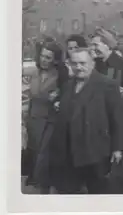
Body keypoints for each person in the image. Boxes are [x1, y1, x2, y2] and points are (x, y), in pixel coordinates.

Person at [49, 48, 123, 194]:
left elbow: (118, 118)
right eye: (75, 63)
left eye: (83, 63)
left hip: (96, 151)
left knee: (98, 194)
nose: (78, 67)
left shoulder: (107, 85)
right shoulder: (67, 86)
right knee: (69, 194)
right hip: (69, 152)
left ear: (92, 64)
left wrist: (117, 148)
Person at [25, 41, 67, 193]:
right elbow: (31, 97)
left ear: (55, 60)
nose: (44, 60)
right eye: (42, 56)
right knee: (35, 154)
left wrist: (58, 100)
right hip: (34, 120)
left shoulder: (60, 75)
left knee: (43, 156)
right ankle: (41, 187)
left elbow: (65, 96)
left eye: (48, 57)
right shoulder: (34, 72)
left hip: (50, 121)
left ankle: (44, 190)